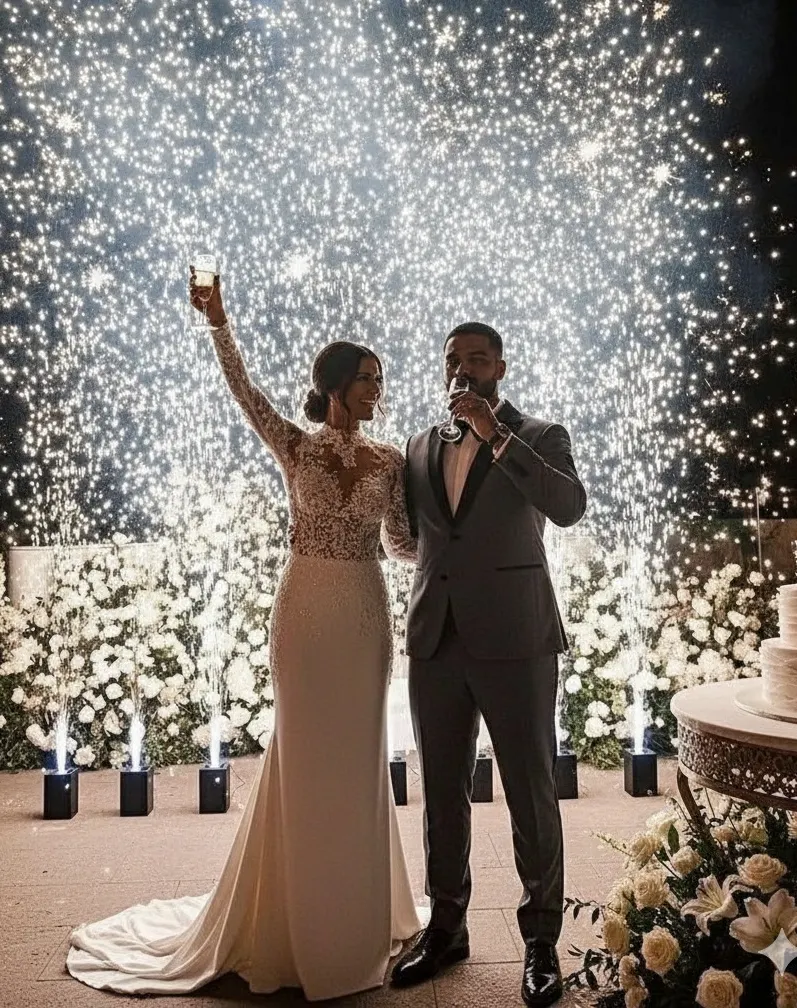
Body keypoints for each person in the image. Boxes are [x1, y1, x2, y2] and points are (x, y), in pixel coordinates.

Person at [66, 272, 422, 1000]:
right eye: (364, 378)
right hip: (305, 612)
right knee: (303, 754)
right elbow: (244, 390)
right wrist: (219, 323)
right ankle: (294, 919)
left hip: (364, 613)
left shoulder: (391, 460)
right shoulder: (295, 446)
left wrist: (466, 544)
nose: (375, 390)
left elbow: (402, 544)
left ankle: (356, 914)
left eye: (379, 380)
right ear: (332, 385)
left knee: (359, 756)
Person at [391, 321, 587, 1007]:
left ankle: (540, 943)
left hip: (516, 638)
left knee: (530, 791)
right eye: (453, 359)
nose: (463, 368)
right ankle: (446, 927)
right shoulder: (418, 446)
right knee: (441, 792)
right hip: (435, 639)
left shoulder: (540, 435)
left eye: (477, 358)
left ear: (500, 367)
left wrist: (493, 433)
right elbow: (415, 536)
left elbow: (568, 507)